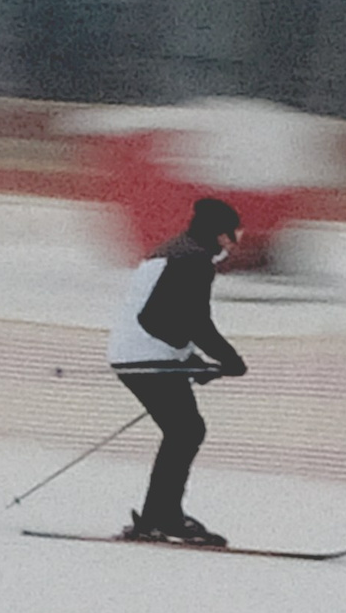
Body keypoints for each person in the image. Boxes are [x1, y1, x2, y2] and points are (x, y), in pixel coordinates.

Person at [106, 194, 248, 545]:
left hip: (134, 353)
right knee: (186, 431)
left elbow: (168, 316)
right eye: (234, 235)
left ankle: (160, 516)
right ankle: (163, 517)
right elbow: (189, 320)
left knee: (184, 431)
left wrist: (190, 362)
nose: (234, 244)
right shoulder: (195, 261)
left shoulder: (173, 251)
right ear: (218, 234)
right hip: (147, 357)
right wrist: (228, 360)